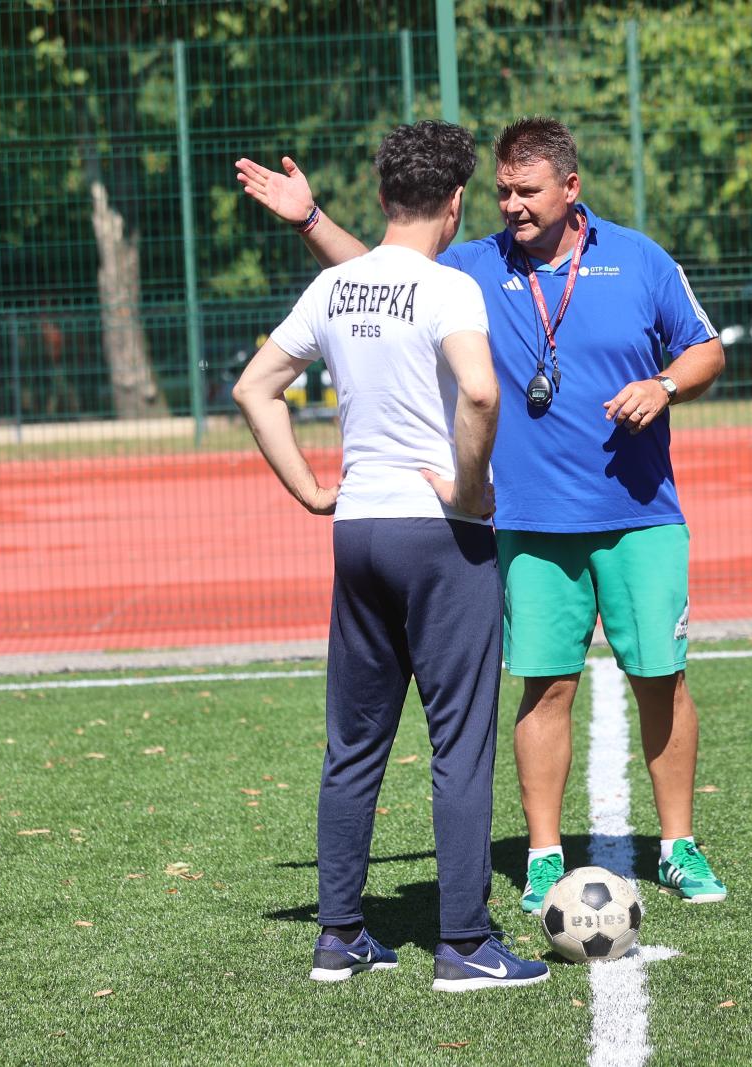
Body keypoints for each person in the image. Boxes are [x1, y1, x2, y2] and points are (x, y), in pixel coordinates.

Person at [236, 116, 730, 913]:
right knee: (545, 687)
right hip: (525, 522)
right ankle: (542, 855)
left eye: (527, 191)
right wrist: (310, 219)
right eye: (501, 191)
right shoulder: (472, 267)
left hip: (640, 514)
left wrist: (664, 385)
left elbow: (707, 348)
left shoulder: (641, 259)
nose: (511, 206)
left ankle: (679, 846)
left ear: (572, 188)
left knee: (660, 679)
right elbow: (380, 275)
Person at [232, 120, 548, 990]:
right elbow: (480, 390)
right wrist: (470, 488)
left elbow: (255, 388)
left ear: (380, 197)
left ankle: (339, 935)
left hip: (360, 530)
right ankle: (466, 944)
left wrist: (309, 487)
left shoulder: (335, 287)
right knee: (460, 745)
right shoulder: (450, 288)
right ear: (456, 202)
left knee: (355, 742)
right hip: (441, 536)